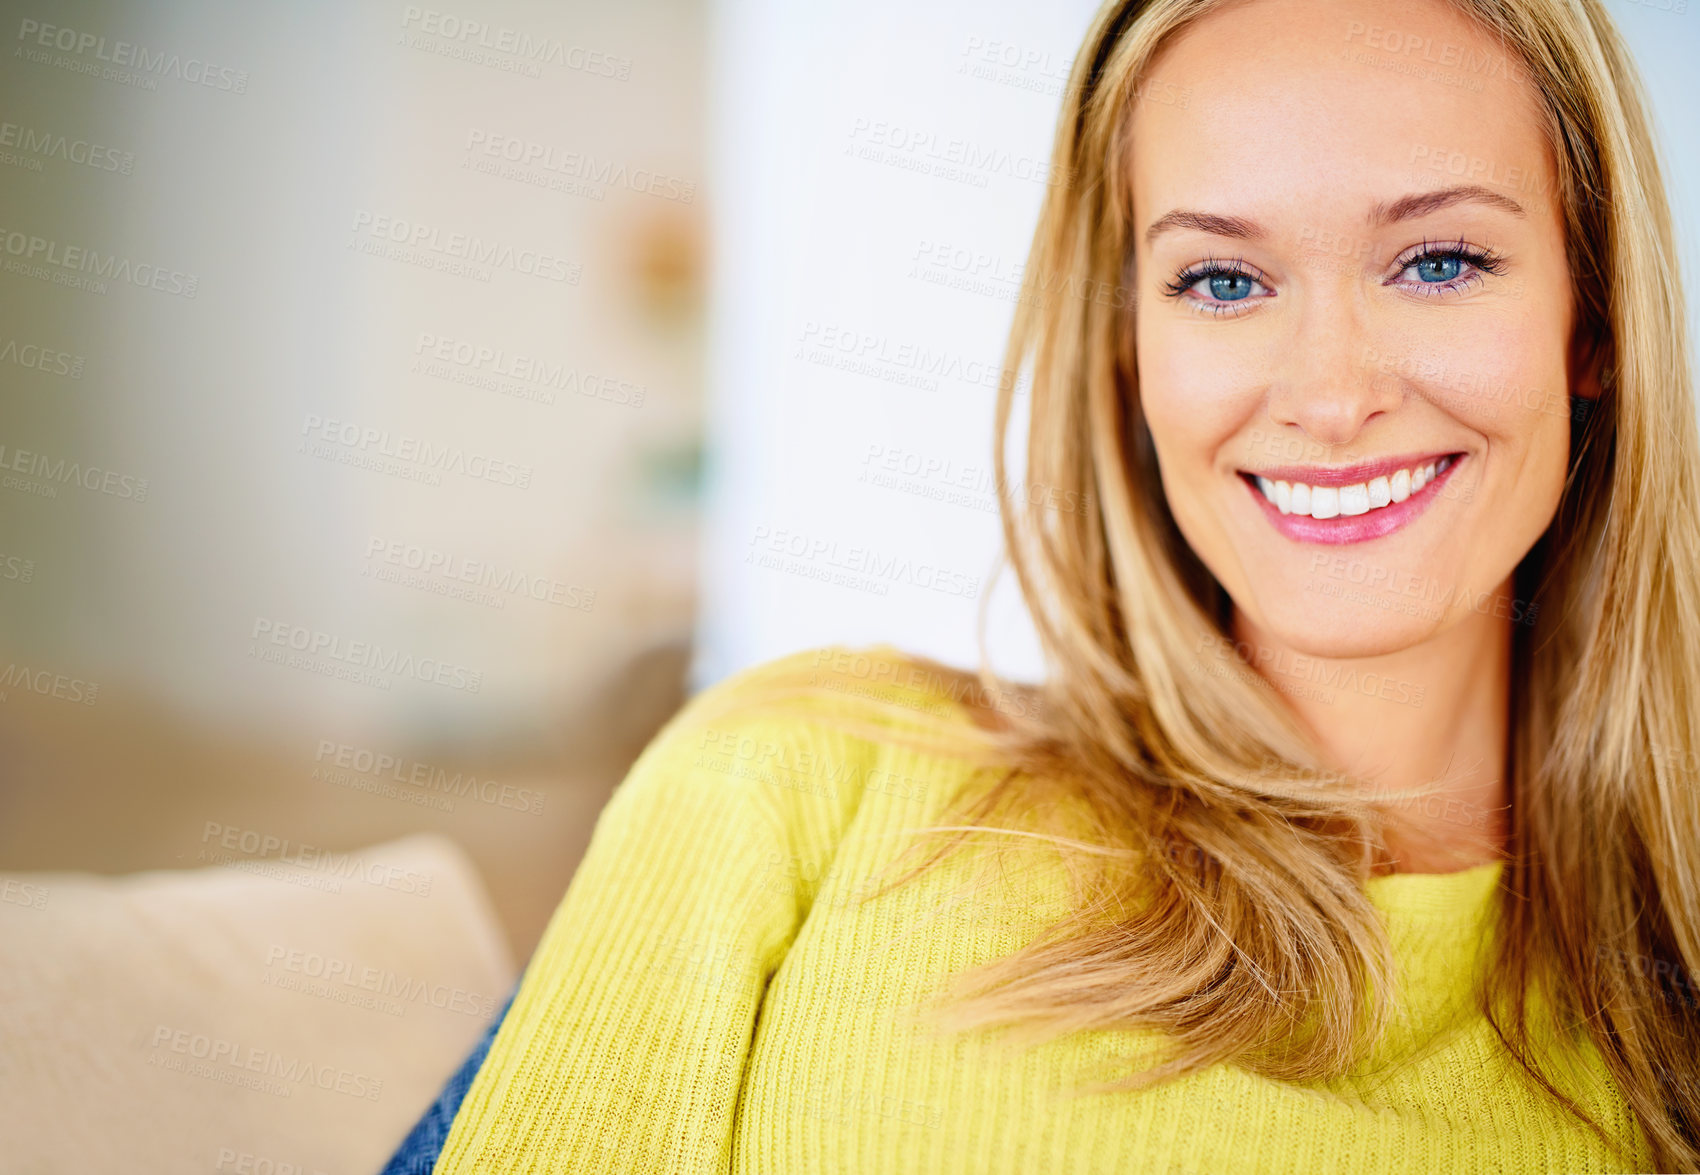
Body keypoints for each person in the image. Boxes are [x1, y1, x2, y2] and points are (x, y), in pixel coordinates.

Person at [399, 0, 1700, 1170]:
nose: (1330, 393)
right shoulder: (804, 771)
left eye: (1438, 261)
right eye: (1224, 279)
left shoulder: (1668, 1018)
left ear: (1592, 320)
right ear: (1128, 346)